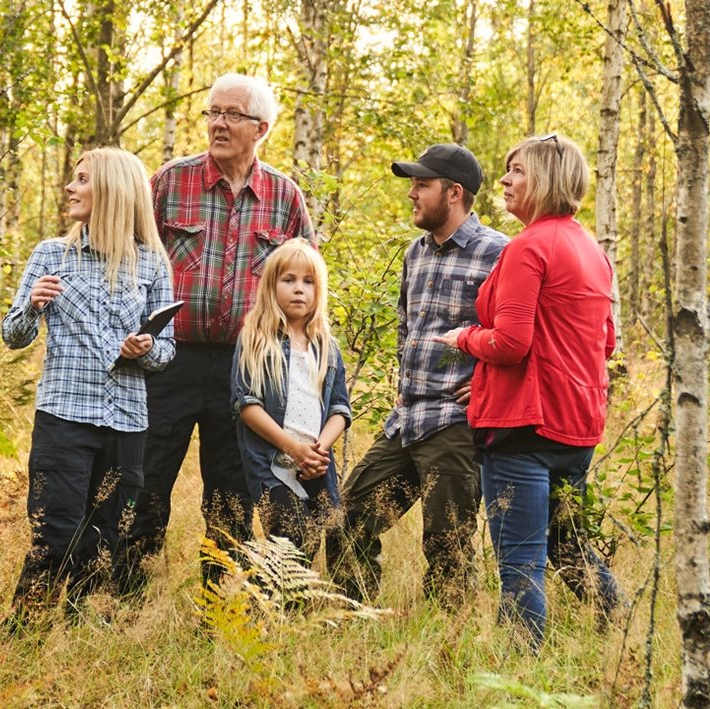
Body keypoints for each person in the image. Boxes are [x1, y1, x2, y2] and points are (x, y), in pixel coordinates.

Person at [117, 73, 316, 595]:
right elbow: (129, 265)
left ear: (262, 128)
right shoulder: (169, 183)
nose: (218, 124)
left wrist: (298, 364)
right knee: (146, 476)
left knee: (231, 490)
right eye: (212, 112)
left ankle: (219, 604)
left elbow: (307, 282)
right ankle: (122, 593)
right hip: (169, 359)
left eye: (232, 114)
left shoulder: (284, 197)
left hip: (246, 367)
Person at [436, 133, 622, 648]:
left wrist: (463, 339)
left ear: (544, 179)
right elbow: (602, 344)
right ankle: (621, 634)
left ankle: (521, 669)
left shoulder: (528, 248)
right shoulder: (592, 250)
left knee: (519, 561)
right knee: (569, 546)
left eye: (516, 170)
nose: (504, 180)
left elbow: (512, 343)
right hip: (577, 426)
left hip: (522, 430)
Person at [325, 143, 508, 604]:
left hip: (455, 426)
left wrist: (488, 385)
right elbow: (408, 327)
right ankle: (355, 622)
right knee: (346, 520)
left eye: (421, 185)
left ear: (454, 193)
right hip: (407, 420)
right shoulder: (415, 253)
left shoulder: (499, 254)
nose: (412, 193)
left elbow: (521, 335)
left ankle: (450, 649)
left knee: (447, 546)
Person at [1, 147, 174, 619]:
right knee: (54, 534)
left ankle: (83, 646)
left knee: (105, 539)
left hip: (127, 422)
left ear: (113, 191)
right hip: (64, 420)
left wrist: (145, 350)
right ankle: (24, 638)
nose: (70, 188)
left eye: (81, 180)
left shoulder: (153, 264)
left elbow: (166, 352)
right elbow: (13, 337)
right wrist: (32, 305)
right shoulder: (50, 255)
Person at [231, 240, 350, 559]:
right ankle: (268, 608)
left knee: (322, 537)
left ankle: (304, 609)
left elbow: (340, 408)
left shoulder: (327, 346)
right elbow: (248, 406)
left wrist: (318, 451)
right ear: (272, 286)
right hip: (273, 463)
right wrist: (293, 449)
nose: (300, 290)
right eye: (289, 280)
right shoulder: (255, 340)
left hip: (315, 463)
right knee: (291, 535)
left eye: (308, 282)